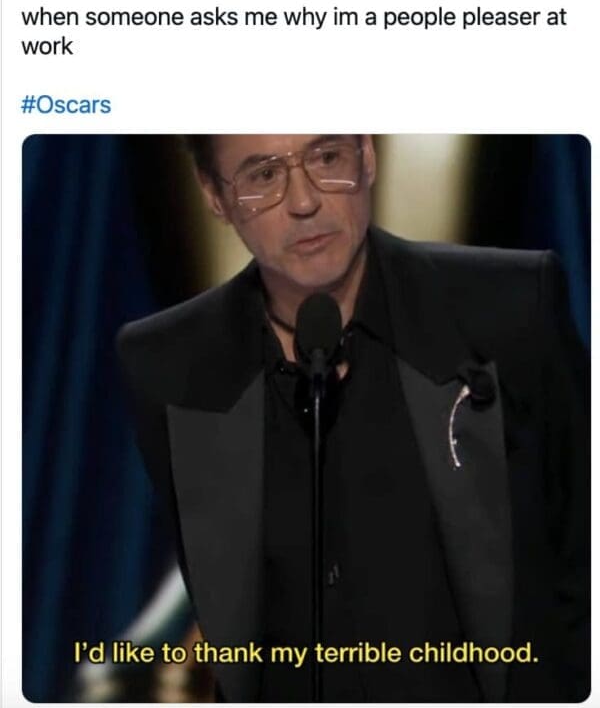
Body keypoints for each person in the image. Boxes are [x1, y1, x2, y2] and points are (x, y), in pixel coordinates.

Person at [118, 134, 589, 703]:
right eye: (263, 176)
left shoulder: (508, 308)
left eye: (326, 158)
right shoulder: (170, 364)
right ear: (215, 196)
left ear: (366, 156)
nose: (304, 201)